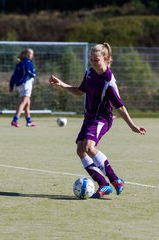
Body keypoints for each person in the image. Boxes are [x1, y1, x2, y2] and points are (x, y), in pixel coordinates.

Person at [49, 43, 146, 198]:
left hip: (102, 118)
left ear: (105, 58)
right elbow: (80, 92)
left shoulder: (108, 81)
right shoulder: (89, 73)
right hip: (89, 117)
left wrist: (132, 126)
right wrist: (62, 84)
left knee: (88, 146)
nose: (93, 63)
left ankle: (115, 180)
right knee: (80, 150)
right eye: (91, 60)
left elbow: (120, 106)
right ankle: (104, 184)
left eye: (96, 60)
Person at [9, 48, 36, 127]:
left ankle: (29, 121)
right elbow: (29, 72)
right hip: (26, 84)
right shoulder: (27, 62)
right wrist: (33, 74)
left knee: (27, 102)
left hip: (20, 85)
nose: (32, 56)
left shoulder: (20, 63)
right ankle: (15, 120)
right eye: (31, 54)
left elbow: (13, 76)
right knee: (24, 102)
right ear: (28, 54)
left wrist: (11, 86)